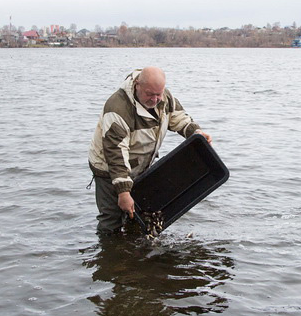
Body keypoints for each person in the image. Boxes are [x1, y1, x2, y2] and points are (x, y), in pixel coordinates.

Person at [88, 67, 212, 234]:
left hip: (139, 164)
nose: (155, 99)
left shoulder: (163, 96)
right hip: (108, 168)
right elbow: (116, 154)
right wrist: (123, 192)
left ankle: (132, 245)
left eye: (158, 94)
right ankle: (108, 253)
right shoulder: (117, 108)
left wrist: (195, 132)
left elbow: (179, 118)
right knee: (112, 217)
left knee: (137, 214)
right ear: (137, 85)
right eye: (149, 94)